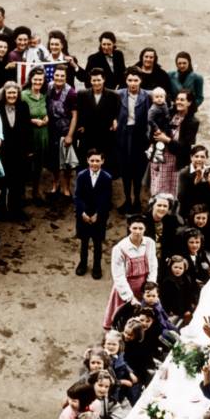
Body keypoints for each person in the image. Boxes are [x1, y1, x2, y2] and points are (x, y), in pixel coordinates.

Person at [103, 215, 157, 329]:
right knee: (124, 315)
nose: (137, 232)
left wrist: (150, 285)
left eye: (140, 229)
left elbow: (153, 264)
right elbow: (118, 275)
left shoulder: (150, 243)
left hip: (144, 285)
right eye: (135, 228)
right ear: (129, 228)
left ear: (145, 229)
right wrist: (129, 297)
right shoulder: (120, 248)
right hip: (126, 285)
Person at [149, 90, 199, 196]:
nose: (178, 102)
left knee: (173, 192)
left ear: (189, 103)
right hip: (159, 157)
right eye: (177, 99)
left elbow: (185, 148)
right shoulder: (169, 113)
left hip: (176, 161)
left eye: (182, 100)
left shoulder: (192, 122)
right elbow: (153, 129)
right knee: (157, 190)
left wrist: (166, 139)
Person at [115, 68, 151, 213]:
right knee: (125, 168)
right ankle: (127, 200)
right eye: (130, 80)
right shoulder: (119, 94)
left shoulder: (146, 96)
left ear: (141, 81)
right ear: (126, 80)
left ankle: (137, 198)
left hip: (139, 136)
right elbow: (112, 111)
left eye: (136, 80)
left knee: (137, 169)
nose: (133, 83)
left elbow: (151, 115)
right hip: (123, 135)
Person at [0, 81, 32, 220]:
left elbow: (28, 129)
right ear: (4, 94)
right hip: (3, 150)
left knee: (18, 181)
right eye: (9, 93)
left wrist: (29, 149)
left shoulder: (23, 106)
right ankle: (0, 210)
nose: (12, 95)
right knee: (2, 181)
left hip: (19, 151)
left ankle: (17, 210)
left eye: (14, 93)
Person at [74, 148, 112, 279]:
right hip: (84, 214)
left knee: (97, 242)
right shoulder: (81, 176)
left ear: (102, 161)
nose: (94, 163)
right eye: (92, 160)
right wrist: (82, 212)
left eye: (97, 161)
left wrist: (98, 214)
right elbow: (78, 196)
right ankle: (82, 263)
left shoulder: (107, 178)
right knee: (84, 242)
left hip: (99, 216)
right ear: (87, 161)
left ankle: (97, 266)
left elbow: (106, 199)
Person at [75, 68, 120, 173]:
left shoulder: (113, 95)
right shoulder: (82, 94)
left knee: (105, 167)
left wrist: (115, 120)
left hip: (105, 136)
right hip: (87, 136)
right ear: (90, 81)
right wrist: (80, 126)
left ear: (103, 80)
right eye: (94, 80)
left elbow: (117, 113)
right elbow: (78, 113)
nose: (96, 83)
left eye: (99, 80)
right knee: (85, 166)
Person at [46, 64, 79, 201]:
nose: (59, 78)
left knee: (66, 160)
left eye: (62, 76)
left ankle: (66, 186)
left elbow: (75, 115)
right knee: (53, 159)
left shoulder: (71, 92)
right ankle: (55, 184)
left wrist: (70, 135)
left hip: (65, 129)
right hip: (51, 128)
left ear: (66, 77)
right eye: (57, 75)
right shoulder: (49, 87)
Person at [21, 68, 49, 212]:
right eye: (35, 79)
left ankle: (36, 192)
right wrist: (32, 121)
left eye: (40, 80)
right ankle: (23, 194)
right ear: (31, 79)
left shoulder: (44, 96)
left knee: (39, 165)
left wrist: (46, 118)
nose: (38, 82)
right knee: (26, 166)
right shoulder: (24, 95)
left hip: (42, 135)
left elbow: (46, 111)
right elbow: (20, 116)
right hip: (29, 135)